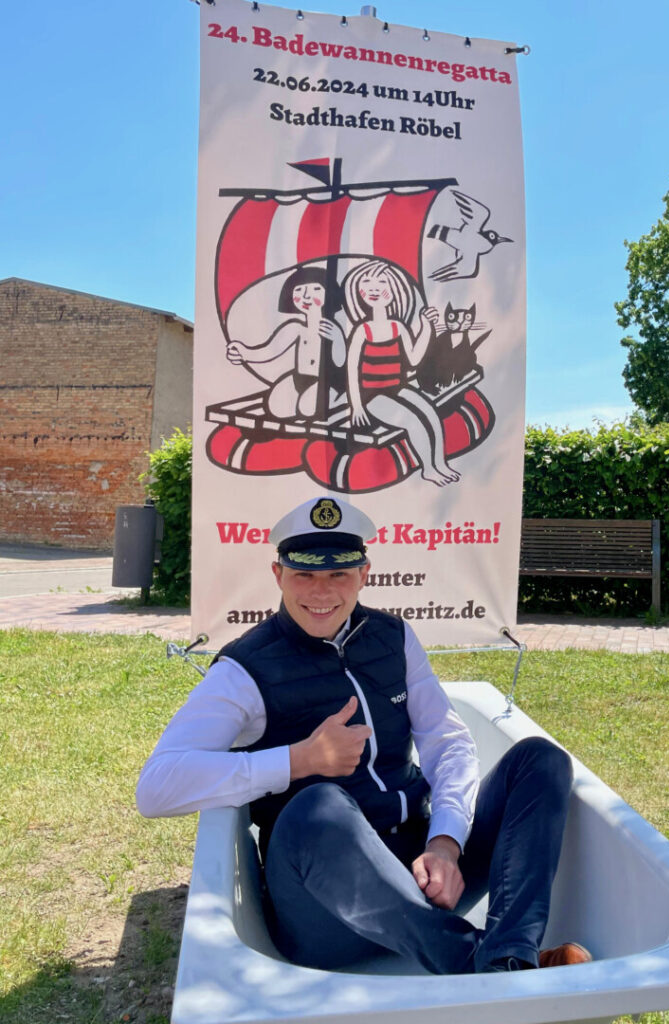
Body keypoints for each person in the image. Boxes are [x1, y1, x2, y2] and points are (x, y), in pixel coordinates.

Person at [136, 495, 591, 975]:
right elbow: (157, 786)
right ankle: (483, 961)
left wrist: (445, 843)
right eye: (304, 574)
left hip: (423, 873)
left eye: (339, 574)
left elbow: (447, 743)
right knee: (317, 806)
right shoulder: (244, 667)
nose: (321, 591)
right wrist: (297, 760)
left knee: (539, 760)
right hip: (326, 907)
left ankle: (511, 951)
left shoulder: (394, 638)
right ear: (278, 575)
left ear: (364, 574)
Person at [341, 259, 460, 487]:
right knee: (412, 420)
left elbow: (413, 359)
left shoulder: (398, 327)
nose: (374, 288)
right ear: (359, 293)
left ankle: (440, 463)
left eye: (381, 282)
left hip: (397, 387)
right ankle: (428, 469)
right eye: (367, 282)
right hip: (372, 395)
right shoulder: (362, 331)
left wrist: (426, 327)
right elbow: (351, 370)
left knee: (431, 413)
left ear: (394, 289)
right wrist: (356, 405)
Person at [226, 266, 346, 419]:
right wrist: (244, 353)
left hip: (327, 381)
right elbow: (270, 351)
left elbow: (341, 362)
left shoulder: (333, 329)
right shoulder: (295, 328)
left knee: (308, 409)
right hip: (299, 378)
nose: (306, 296)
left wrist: (337, 339)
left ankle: (340, 399)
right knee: (277, 408)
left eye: (316, 289)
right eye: (299, 290)